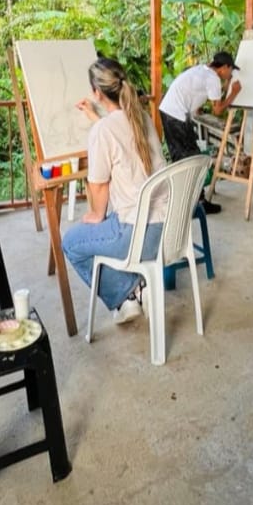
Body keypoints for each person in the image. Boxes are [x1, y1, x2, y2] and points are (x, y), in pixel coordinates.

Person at [63, 58, 168, 325]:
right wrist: (96, 118)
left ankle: (128, 294)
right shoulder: (142, 118)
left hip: (137, 236)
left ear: (97, 93)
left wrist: (96, 214)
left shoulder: (104, 130)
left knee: (72, 243)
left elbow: (99, 185)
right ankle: (134, 292)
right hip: (167, 230)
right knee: (103, 230)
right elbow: (120, 136)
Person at [158, 50, 242, 214]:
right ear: (224, 67)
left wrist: (225, 85)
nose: (231, 74)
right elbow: (218, 110)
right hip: (176, 115)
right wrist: (234, 93)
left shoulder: (203, 70)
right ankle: (191, 204)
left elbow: (200, 93)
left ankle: (195, 201)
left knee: (187, 157)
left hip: (172, 112)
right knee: (189, 159)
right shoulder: (213, 79)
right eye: (231, 70)